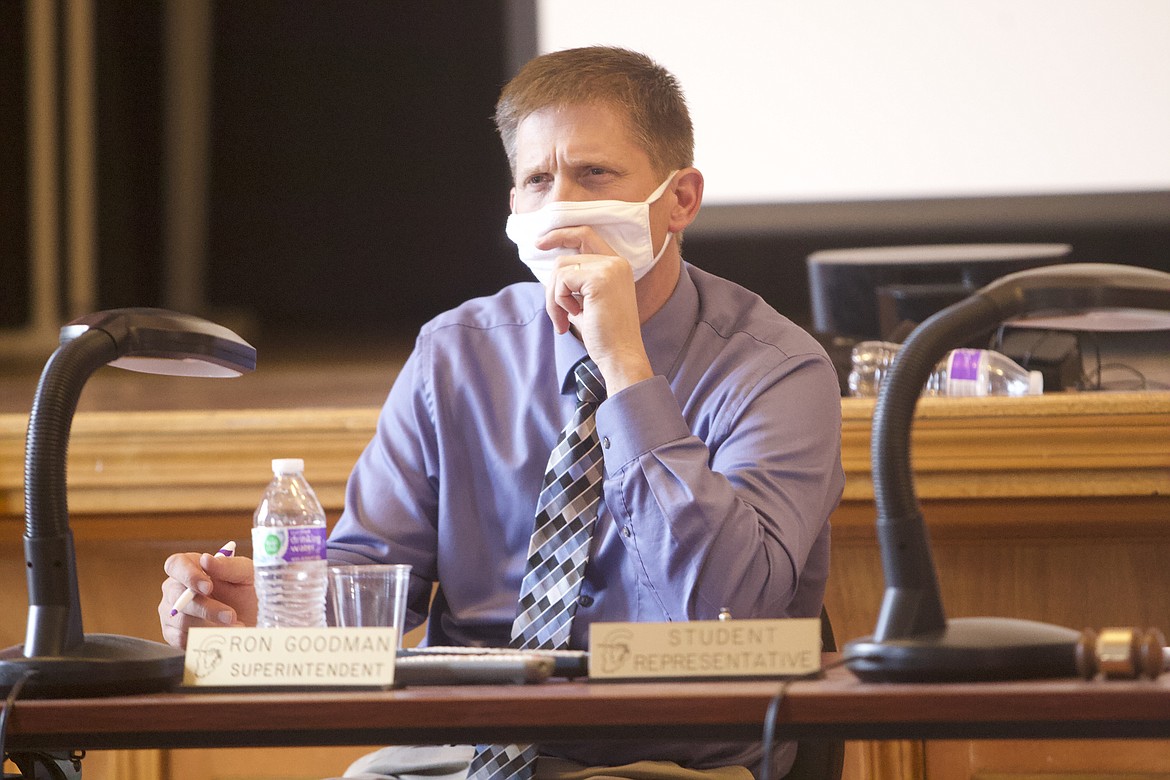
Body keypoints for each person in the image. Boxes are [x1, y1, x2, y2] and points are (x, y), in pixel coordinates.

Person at [159, 46, 844, 779]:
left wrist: (625, 371)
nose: (561, 206)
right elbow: (372, 589)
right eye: (538, 181)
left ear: (680, 199)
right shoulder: (454, 354)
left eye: (594, 175)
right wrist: (267, 613)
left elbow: (730, 609)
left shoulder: (778, 368)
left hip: (661, 761)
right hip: (449, 759)